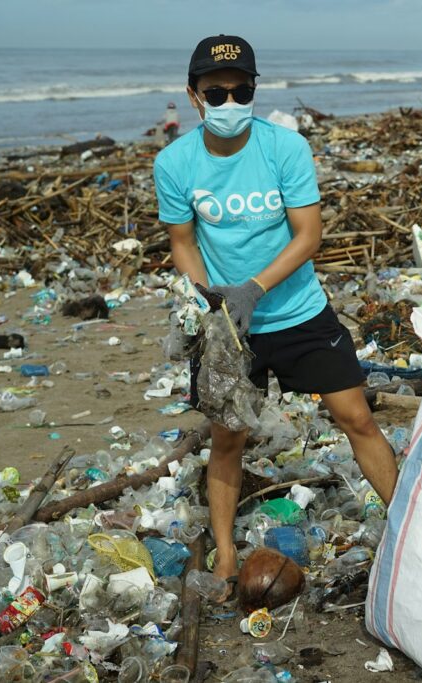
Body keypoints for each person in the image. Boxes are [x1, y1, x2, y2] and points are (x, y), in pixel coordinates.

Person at [153, 34, 399, 589]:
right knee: (228, 437)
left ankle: (408, 523)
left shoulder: (285, 149)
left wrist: (255, 288)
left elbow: (308, 235)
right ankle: (224, 553)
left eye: (242, 91)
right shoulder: (174, 163)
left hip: (299, 312)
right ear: (194, 96)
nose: (230, 103)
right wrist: (206, 298)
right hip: (230, 330)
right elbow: (183, 241)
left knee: (356, 416)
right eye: (216, 94)